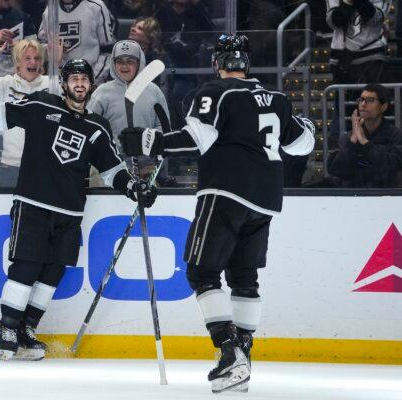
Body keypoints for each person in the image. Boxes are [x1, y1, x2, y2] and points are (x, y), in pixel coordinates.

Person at [119, 34, 315, 393]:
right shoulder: (278, 99)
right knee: (245, 277)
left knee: (201, 270)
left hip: (226, 190)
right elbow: (303, 142)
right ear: (247, 64)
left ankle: (229, 354)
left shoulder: (215, 91)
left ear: (218, 64)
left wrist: (151, 141)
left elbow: (197, 139)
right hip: (266, 199)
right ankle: (243, 357)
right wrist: (308, 125)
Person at [0, 58, 157, 360]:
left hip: (70, 213)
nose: (79, 84)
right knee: (26, 266)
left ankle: (27, 331)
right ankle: (8, 329)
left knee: (52, 272)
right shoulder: (41, 106)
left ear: (91, 84)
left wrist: (133, 187)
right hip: (33, 204)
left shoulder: (97, 127)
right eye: (73, 78)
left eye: (84, 79)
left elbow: (110, 169)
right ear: (64, 84)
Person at [0, 35, 50, 187]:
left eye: (37, 58)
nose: (33, 62)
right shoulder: (6, 84)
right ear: (18, 61)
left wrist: (58, 63)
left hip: (45, 165)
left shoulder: (52, 85)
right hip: (12, 167)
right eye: (28, 58)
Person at [88, 39, 171, 186]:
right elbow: (89, 129)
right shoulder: (102, 92)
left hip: (147, 170)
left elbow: (164, 128)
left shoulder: (154, 92)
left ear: (140, 63)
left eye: (130, 61)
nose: (124, 66)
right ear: (113, 64)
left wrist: (147, 142)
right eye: (119, 61)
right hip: (109, 170)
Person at [326, 0, 392, 139]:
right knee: (342, 110)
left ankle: (372, 145)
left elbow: (375, 18)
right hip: (341, 59)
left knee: (371, 107)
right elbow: (334, 21)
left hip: (372, 55)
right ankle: (341, 148)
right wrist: (348, 3)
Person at [328, 83, 402, 187]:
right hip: (354, 196)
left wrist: (365, 143)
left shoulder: (396, 135)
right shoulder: (349, 137)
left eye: (370, 100)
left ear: (383, 107)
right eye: (361, 100)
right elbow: (337, 171)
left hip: (387, 196)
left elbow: (393, 166)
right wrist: (352, 143)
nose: (363, 104)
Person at [39, 0, 116, 84]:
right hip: (60, 82)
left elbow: (108, 51)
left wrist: (93, 80)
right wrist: (50, 48)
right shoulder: (50, 10)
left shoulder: (97, 7)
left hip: (91, 81)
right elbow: (40, 45)